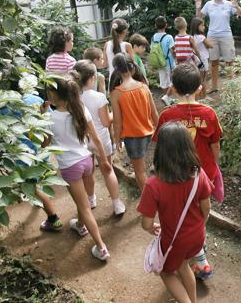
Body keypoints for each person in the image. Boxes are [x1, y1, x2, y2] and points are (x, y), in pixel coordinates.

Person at [152, 64, 223, 280]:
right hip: (203, 174)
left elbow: (160, 146)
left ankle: (194, 252)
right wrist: (214, 165)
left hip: (175, 176)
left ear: (172, 88)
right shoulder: (209, 113)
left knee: (180, 212)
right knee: (201, 210)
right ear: (200, 89)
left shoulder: (167, 115)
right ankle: (199, 250)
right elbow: (215, 145)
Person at [138, 122, 212, 303]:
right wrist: (199, 225)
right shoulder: (198, 174)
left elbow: (146, 223)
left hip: (174, 239)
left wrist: (151, 228)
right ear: (188, 146)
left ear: (161, 150)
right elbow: (206, 208)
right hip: (197, 236)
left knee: (166, 272)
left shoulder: (153, 185)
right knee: (184, 266)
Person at [45, 77, 111, 260]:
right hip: (87, 161)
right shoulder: (80, 109)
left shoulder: (49, 117)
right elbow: (96, 139)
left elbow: (44, 143)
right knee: (87, 202)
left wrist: (40, 117)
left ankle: (101, 247)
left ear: (52, 95)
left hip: (70, 166)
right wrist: (104, 161)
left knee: (84, 207)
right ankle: (80, 225)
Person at [1, 76, 61, 231]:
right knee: (38, 178)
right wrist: (46, 143)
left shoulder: (5, 106)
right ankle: (40, 199)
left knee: (32, 186)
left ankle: (53, 218)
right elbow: (48, 120)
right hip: (40, 149)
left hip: (24, 155)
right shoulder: (35, 98)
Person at [73, 60, 126, 216]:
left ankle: (91, 200)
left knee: (88, 174)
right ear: (92, 78)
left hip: (83, 142)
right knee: (107, 170)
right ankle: (117, 204)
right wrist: (112, 113)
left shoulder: (73, 98)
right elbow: (105, 122)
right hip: (101, 140)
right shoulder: (99, 97)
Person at [110, 53, 158, 193]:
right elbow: (154, 113)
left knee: (139, 171)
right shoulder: (144, 86)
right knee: (146, 167)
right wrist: (160, 128)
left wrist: (117, 139)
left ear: (117, 71)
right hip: (149, 132)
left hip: (132, 137)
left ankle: (148, 200)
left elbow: (117, 122)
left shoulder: (116, 93)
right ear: (132, 69)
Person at [195, 0, 241, 94]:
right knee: (214, 62)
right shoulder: (209, 4)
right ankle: (214, 87)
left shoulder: (229, 4)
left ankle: (230, 88)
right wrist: (198, 8)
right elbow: (198, 18)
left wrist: (237, 6)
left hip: (226, 36)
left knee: (229, 62)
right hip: (212, 36)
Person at [150, 16, 176, 106]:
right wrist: (175, 57)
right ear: (166, 25)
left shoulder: (153, 37)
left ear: (155, 25)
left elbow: (152, 50)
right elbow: (172, 50)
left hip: (159, 63)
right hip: (169, 62)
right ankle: (167, 97)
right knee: (174, 81)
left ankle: (168, 99)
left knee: (164, 82)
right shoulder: (169, 37)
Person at [103, 18, 135, 82]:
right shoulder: (127, 46)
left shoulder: (107, 45)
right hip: (126, 80)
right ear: (125, 31)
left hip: (112, 80)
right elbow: (132, 65)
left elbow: (105, 64)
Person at [190, 17, 213, 98]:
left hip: (196, 60)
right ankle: (204, 97)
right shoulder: (201, 37)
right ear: (197, 27)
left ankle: (197, 96)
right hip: (203, 60)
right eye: (202, 25)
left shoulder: (191, 37)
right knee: (203, 79)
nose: (204, 27)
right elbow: (210, 45)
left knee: (198, 78)